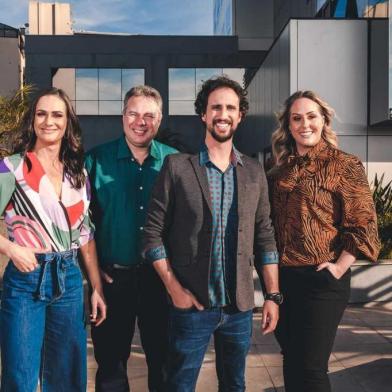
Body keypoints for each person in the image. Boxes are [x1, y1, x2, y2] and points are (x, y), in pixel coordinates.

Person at [142, 76, 281, 391]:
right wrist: (174, 288)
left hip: (239, 308)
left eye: (231, 107)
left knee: (234, 385)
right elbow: (151, 234)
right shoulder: (178, 167)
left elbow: (265, 237)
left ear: (240, 116)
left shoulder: (255, 172)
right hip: (192, 305)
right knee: (178, 385)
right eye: (215, 107)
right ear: (203, 114)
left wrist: (272, 296)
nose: (223, 113)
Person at [268, 90, 380, 392]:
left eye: (311, 116)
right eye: (297, 118)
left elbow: (363, 221)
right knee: (291, 360)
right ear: (288, 126)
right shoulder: (278, 171)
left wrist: (340, 267)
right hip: (284, 280)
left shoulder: (344, 164)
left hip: (322, 280)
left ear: (323, 120)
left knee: (311, 367)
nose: (305, 123)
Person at [0, 87, 106, 392]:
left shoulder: (78, 174)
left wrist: (96, 288)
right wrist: (10, 248)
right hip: (26, 278)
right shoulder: (12, 168)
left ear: (67, 122)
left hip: (70, 279)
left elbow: (85, 236)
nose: (49, 121)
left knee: (68, 377)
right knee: (20, 378)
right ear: (32, 120)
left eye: (57, 114)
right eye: (41, 113)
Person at [85, 85, 177, 392]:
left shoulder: (176, 163)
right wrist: (93, 273)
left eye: (149, 115)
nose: (141, 121)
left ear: (159, 119)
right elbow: (81, 225)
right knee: (111, 368)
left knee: (164, 366)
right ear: (123, 117)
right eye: (134, 113)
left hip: (160, 281)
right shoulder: (96, 161)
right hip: (112, 281)